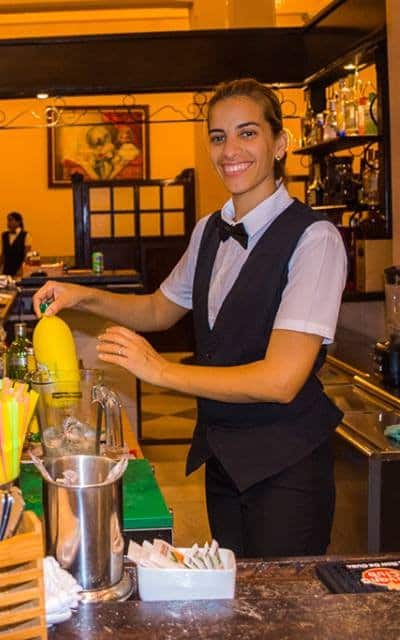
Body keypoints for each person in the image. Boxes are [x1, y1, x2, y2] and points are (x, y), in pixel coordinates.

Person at [33, 78, 347, 559]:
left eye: (247, 133)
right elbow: (159, 310)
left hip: (287, 467)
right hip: (224, 459)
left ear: (279, 143)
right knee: (235, 602)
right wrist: (82, 297)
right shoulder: (209, 230)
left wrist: (160, 371)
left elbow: (282, 379)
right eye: (218, 137)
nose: (230, 151)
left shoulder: (315, 240)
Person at [0, 212, 31, 276]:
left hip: (19, 269)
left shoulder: (25, 235)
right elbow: (3, 253)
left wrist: (21, 269)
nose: (8, 223)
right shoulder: (4, 235)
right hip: (6, 270)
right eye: (8, 220)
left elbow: (26, 255)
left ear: (18, 222)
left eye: (11, 220)